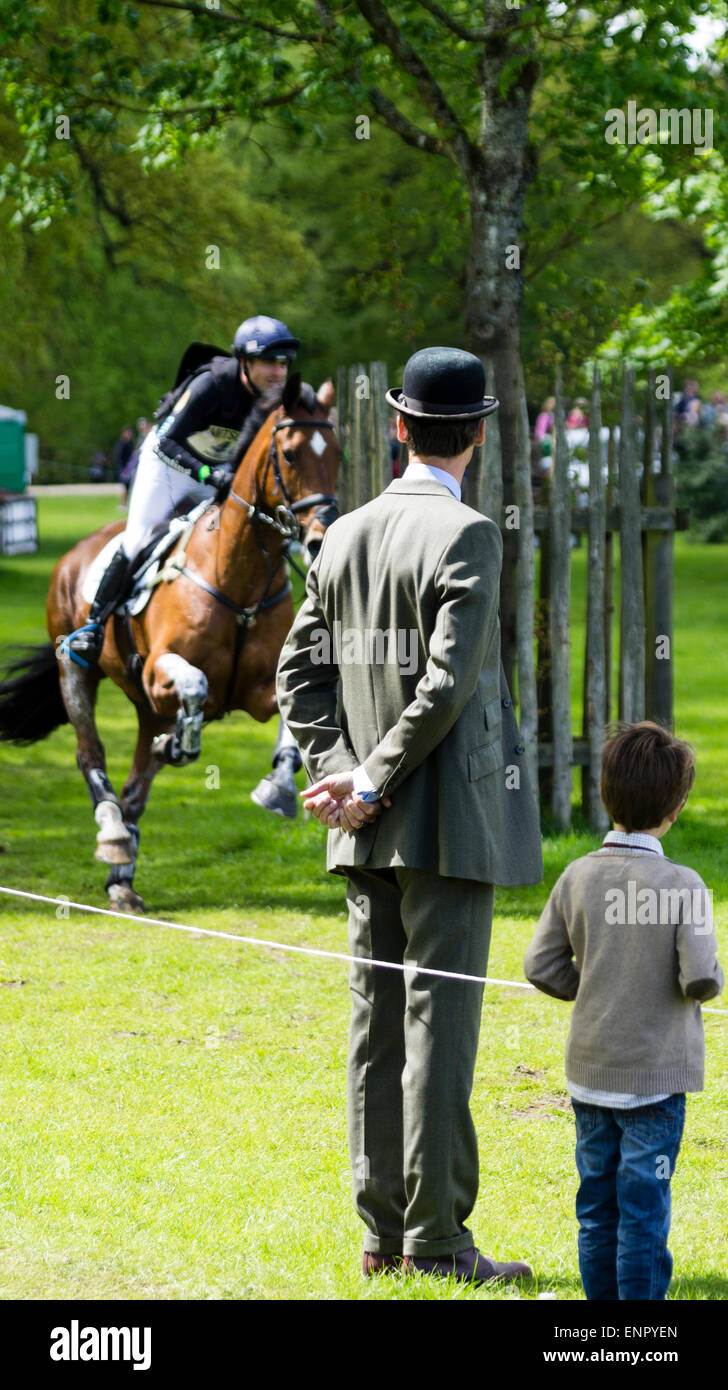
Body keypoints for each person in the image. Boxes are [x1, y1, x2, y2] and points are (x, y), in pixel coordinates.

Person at [276, 347, 543, 1285]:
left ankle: (380, 1236)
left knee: (375, 1028)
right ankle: (434, 1242)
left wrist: (343, 773)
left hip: (363, 821)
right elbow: (447, 684)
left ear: (399, 427)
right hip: (442, 819)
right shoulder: (470, 532)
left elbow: (294, 673)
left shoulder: (342, 533)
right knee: (436, 1031)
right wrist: (372, 778)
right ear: (478, 432)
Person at [523, 721, 723, 1301]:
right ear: (676, 808)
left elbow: (541, 965)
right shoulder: (684, 885)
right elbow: (702, 978)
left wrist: (595, 987)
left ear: (606, 794)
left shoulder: (577, 876)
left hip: (590, 1076)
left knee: (597, 1207)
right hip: (656, 1084)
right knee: (642, 1213)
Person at [63, 316, 300, 665]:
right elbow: (168, 440)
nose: (279, 373)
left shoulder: (273, 399)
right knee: (138, 540)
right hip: (167, 466)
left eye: (284, 364)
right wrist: (208, 474)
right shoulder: (212, 384)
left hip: (214, 473)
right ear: (245, 363)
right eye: (269, 363)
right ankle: (93, 627)